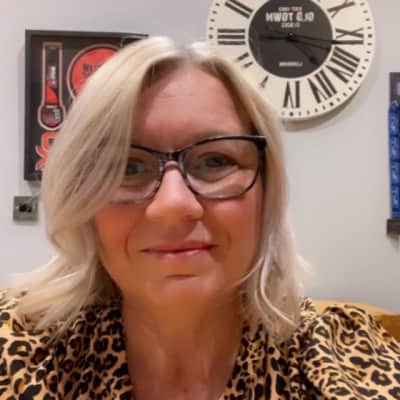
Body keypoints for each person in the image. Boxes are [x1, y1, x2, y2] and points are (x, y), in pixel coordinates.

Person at [1, 36, 399, 400]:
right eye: (128, 167)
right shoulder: (18, 354)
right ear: (82, 198)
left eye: (215, 161)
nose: (173, 204)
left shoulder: (343, 356)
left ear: (267, 188)